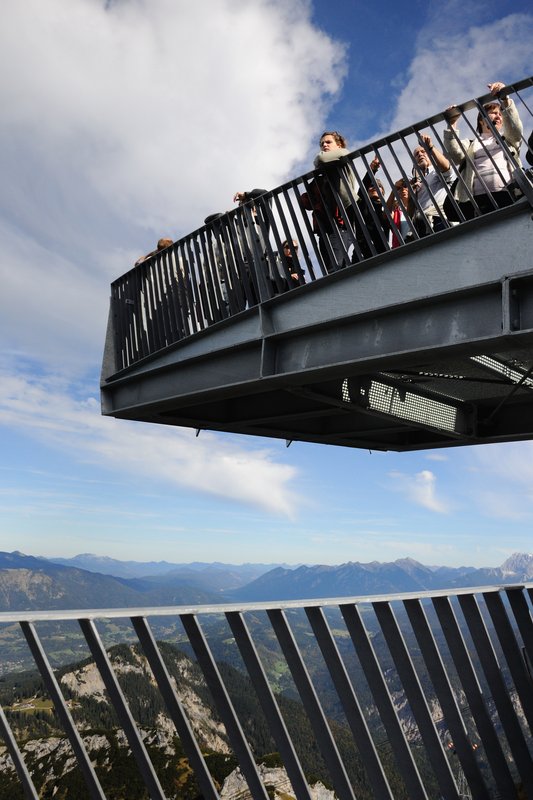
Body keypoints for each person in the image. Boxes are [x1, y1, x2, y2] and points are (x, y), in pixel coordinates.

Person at [443, 81, 523, 218]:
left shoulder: (508, 139)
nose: (498, 116)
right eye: (494, 113)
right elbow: (454, 154)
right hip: (476, 200)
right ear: (481, 120)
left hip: (509, 194)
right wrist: (452, 123)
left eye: (501, 114)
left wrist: (505, 98)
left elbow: (515, 128)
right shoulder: (471, 144)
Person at [300, 131, 357, 273]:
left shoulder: (343, 153)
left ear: (339, 145)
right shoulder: (321, 176)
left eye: (328, 142)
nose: (324, 145)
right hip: (325, 227)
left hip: (341, 222)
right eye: (322, 144)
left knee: (335, 268)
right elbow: (308, 201)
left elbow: (321, 158)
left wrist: (318, 162)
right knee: (330, 267)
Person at [409, 134, 452, 234]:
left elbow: (447, 168)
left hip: (439, 221)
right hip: (420, 227)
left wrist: (430, 147)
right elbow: (410, 214)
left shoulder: (436, 171)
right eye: (416, 154)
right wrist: (412, 195)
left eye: (423, 151)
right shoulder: (415, 182)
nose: (420, 154)